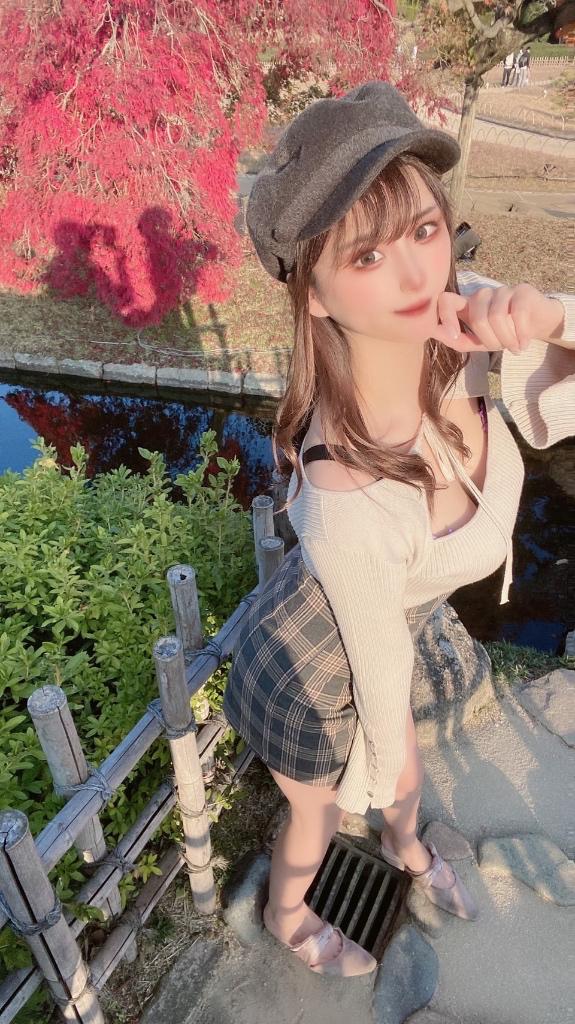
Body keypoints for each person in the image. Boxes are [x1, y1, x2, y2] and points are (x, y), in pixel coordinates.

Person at [223, 81, 574, 977]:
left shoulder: (464, 324)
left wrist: (553, 318)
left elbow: (553, 365)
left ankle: (406, 845)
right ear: (314, 295)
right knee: (320, 814)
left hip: (382, 622)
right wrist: (386, 779)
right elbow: (379, 680)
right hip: (304, 672)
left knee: (401, 776)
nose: (420, 275)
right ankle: (287, 913)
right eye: (369, 255)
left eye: (424, 230)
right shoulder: (346, 496)